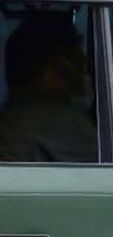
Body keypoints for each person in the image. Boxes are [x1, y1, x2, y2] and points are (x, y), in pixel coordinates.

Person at [0, 13, 98, 163]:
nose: (86, 80)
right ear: (57, 72)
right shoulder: (66, 125)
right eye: (82, 70)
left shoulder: (9, 123)